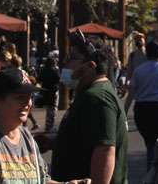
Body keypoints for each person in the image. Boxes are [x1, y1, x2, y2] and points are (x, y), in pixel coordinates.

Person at [0, 68, 84, 184]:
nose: (27, 104)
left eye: (29, 97)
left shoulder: (26, 136)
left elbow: (43, 180)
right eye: (19, 98)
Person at [46, 33, 128, 184]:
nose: (64, 62)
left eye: (71, 58)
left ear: (90, 66)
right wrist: (55, 141)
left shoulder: (97, 98)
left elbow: (105, 150)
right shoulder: (90, 93)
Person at [123, 40, 158, 172]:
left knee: (150, 142)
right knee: (155, 143)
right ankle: (154, 171)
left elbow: (131, 94)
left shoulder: (138, 71)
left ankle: (152, 170)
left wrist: (124, 112)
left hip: (141, 110)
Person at [38, 57, 61, 132]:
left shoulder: (43, 71)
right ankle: (51, 125)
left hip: (45, 91)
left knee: (48, 109)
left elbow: (39, 79)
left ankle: (47, 125)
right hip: (53, 91)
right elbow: (58, 79)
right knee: (53, 109)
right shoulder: (55, 71)